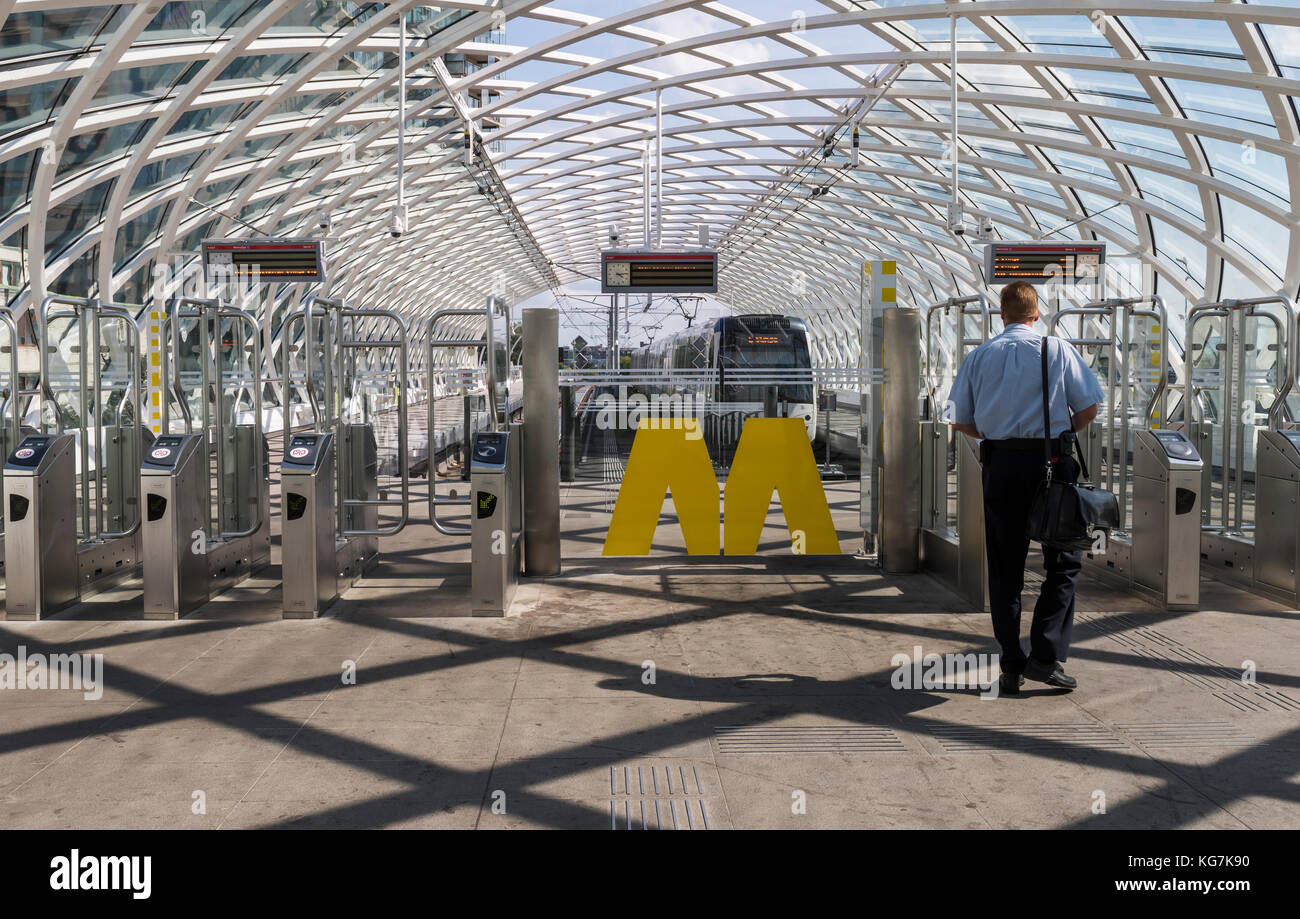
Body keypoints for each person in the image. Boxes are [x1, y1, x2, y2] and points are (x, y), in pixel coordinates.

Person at [948, 281, 1105, 695]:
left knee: (1005, 568)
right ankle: (1045, 656)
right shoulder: (1057, 350)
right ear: (1039, 314)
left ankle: (1010, 666)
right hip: (1052, 461)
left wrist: (997, 435)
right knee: (1065, 558)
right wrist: (1058, 433)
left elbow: (958, 419)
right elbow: (1089, 406)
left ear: (1002, 315)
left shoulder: (978, 356)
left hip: (1000, 464)